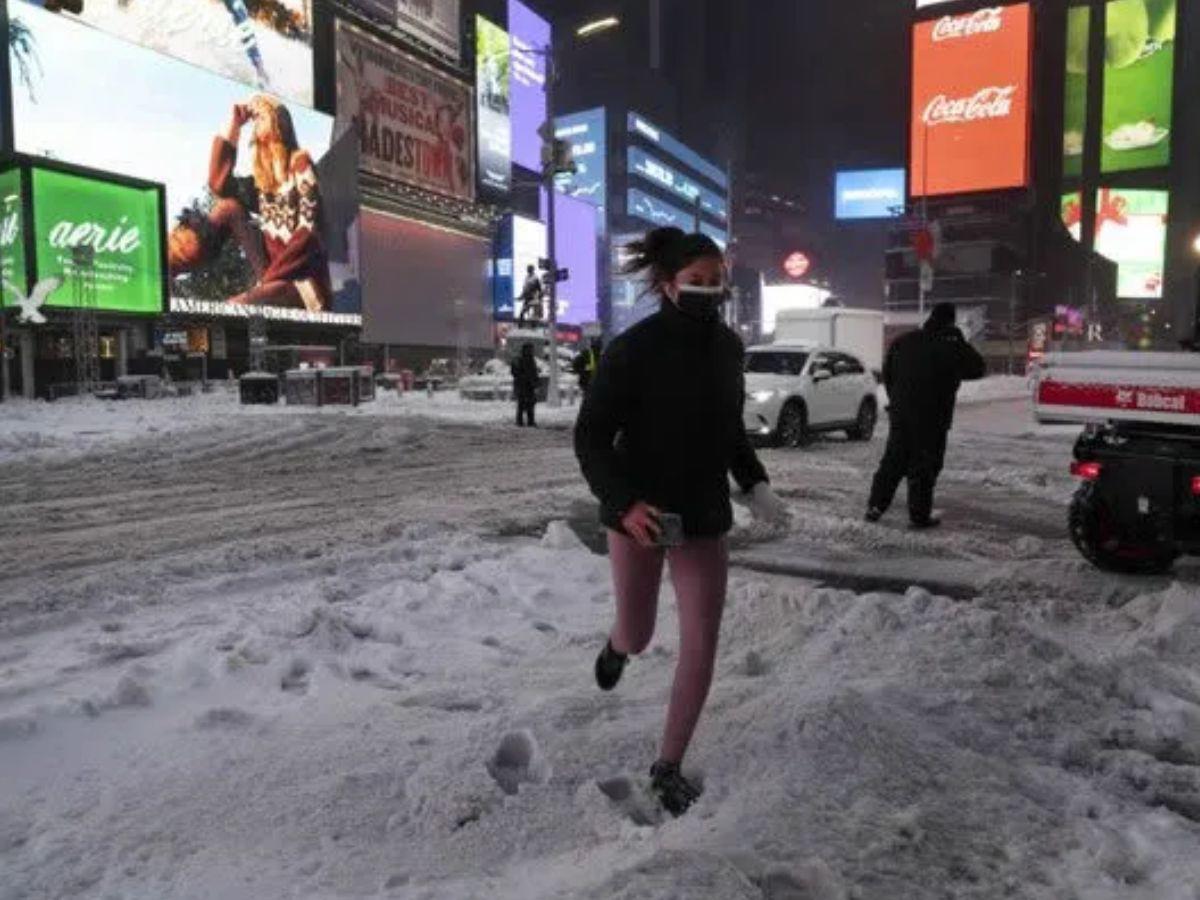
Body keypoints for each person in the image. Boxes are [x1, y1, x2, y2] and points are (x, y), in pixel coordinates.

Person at [575, 227, 789, 817]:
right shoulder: (632, 350)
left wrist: (755, 482)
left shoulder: (727, 347)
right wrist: (623, 505)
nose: (708, 290)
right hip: (640, 515)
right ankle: (618, 645)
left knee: (702, 640)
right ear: (667, 284)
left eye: (716, 281)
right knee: (640, 632)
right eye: (695, 282)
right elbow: (590, 437)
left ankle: (666, 766)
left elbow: (728, 429)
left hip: (700, 516)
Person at [168, 95, 333, 311]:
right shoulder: (263, 184)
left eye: (261, 116)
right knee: (228, 208)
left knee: (233, 308)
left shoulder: (300, 164)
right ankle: (168, 263)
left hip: (304, 283)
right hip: (273, 276)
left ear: (278, 121)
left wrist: (264, 285)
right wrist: (235, 126)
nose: (255, 122)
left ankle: (259, 293)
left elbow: (309, 233)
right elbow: (219, 184)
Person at [866, 302, 986, 528]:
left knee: (893, 462)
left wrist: (898, 402)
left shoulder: (904, 341)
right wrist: (959, 340)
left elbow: (889, 374)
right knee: (924, 467)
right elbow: (978, 368)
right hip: (933, 418)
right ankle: (919, 516)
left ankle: (875, 506)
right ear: (950, 321)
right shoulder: (950, 344)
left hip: (901, 415)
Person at [511, 343, 540, 427]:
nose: (531, 351)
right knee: (522, 403)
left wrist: (535, 381)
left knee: (529, 404)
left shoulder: (530, 359)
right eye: (530, 349)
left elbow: (534, 372)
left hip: (528, 385)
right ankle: (522, 421)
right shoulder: (520, 359)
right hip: (523, 385)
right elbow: (515, 372)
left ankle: (528, 421)